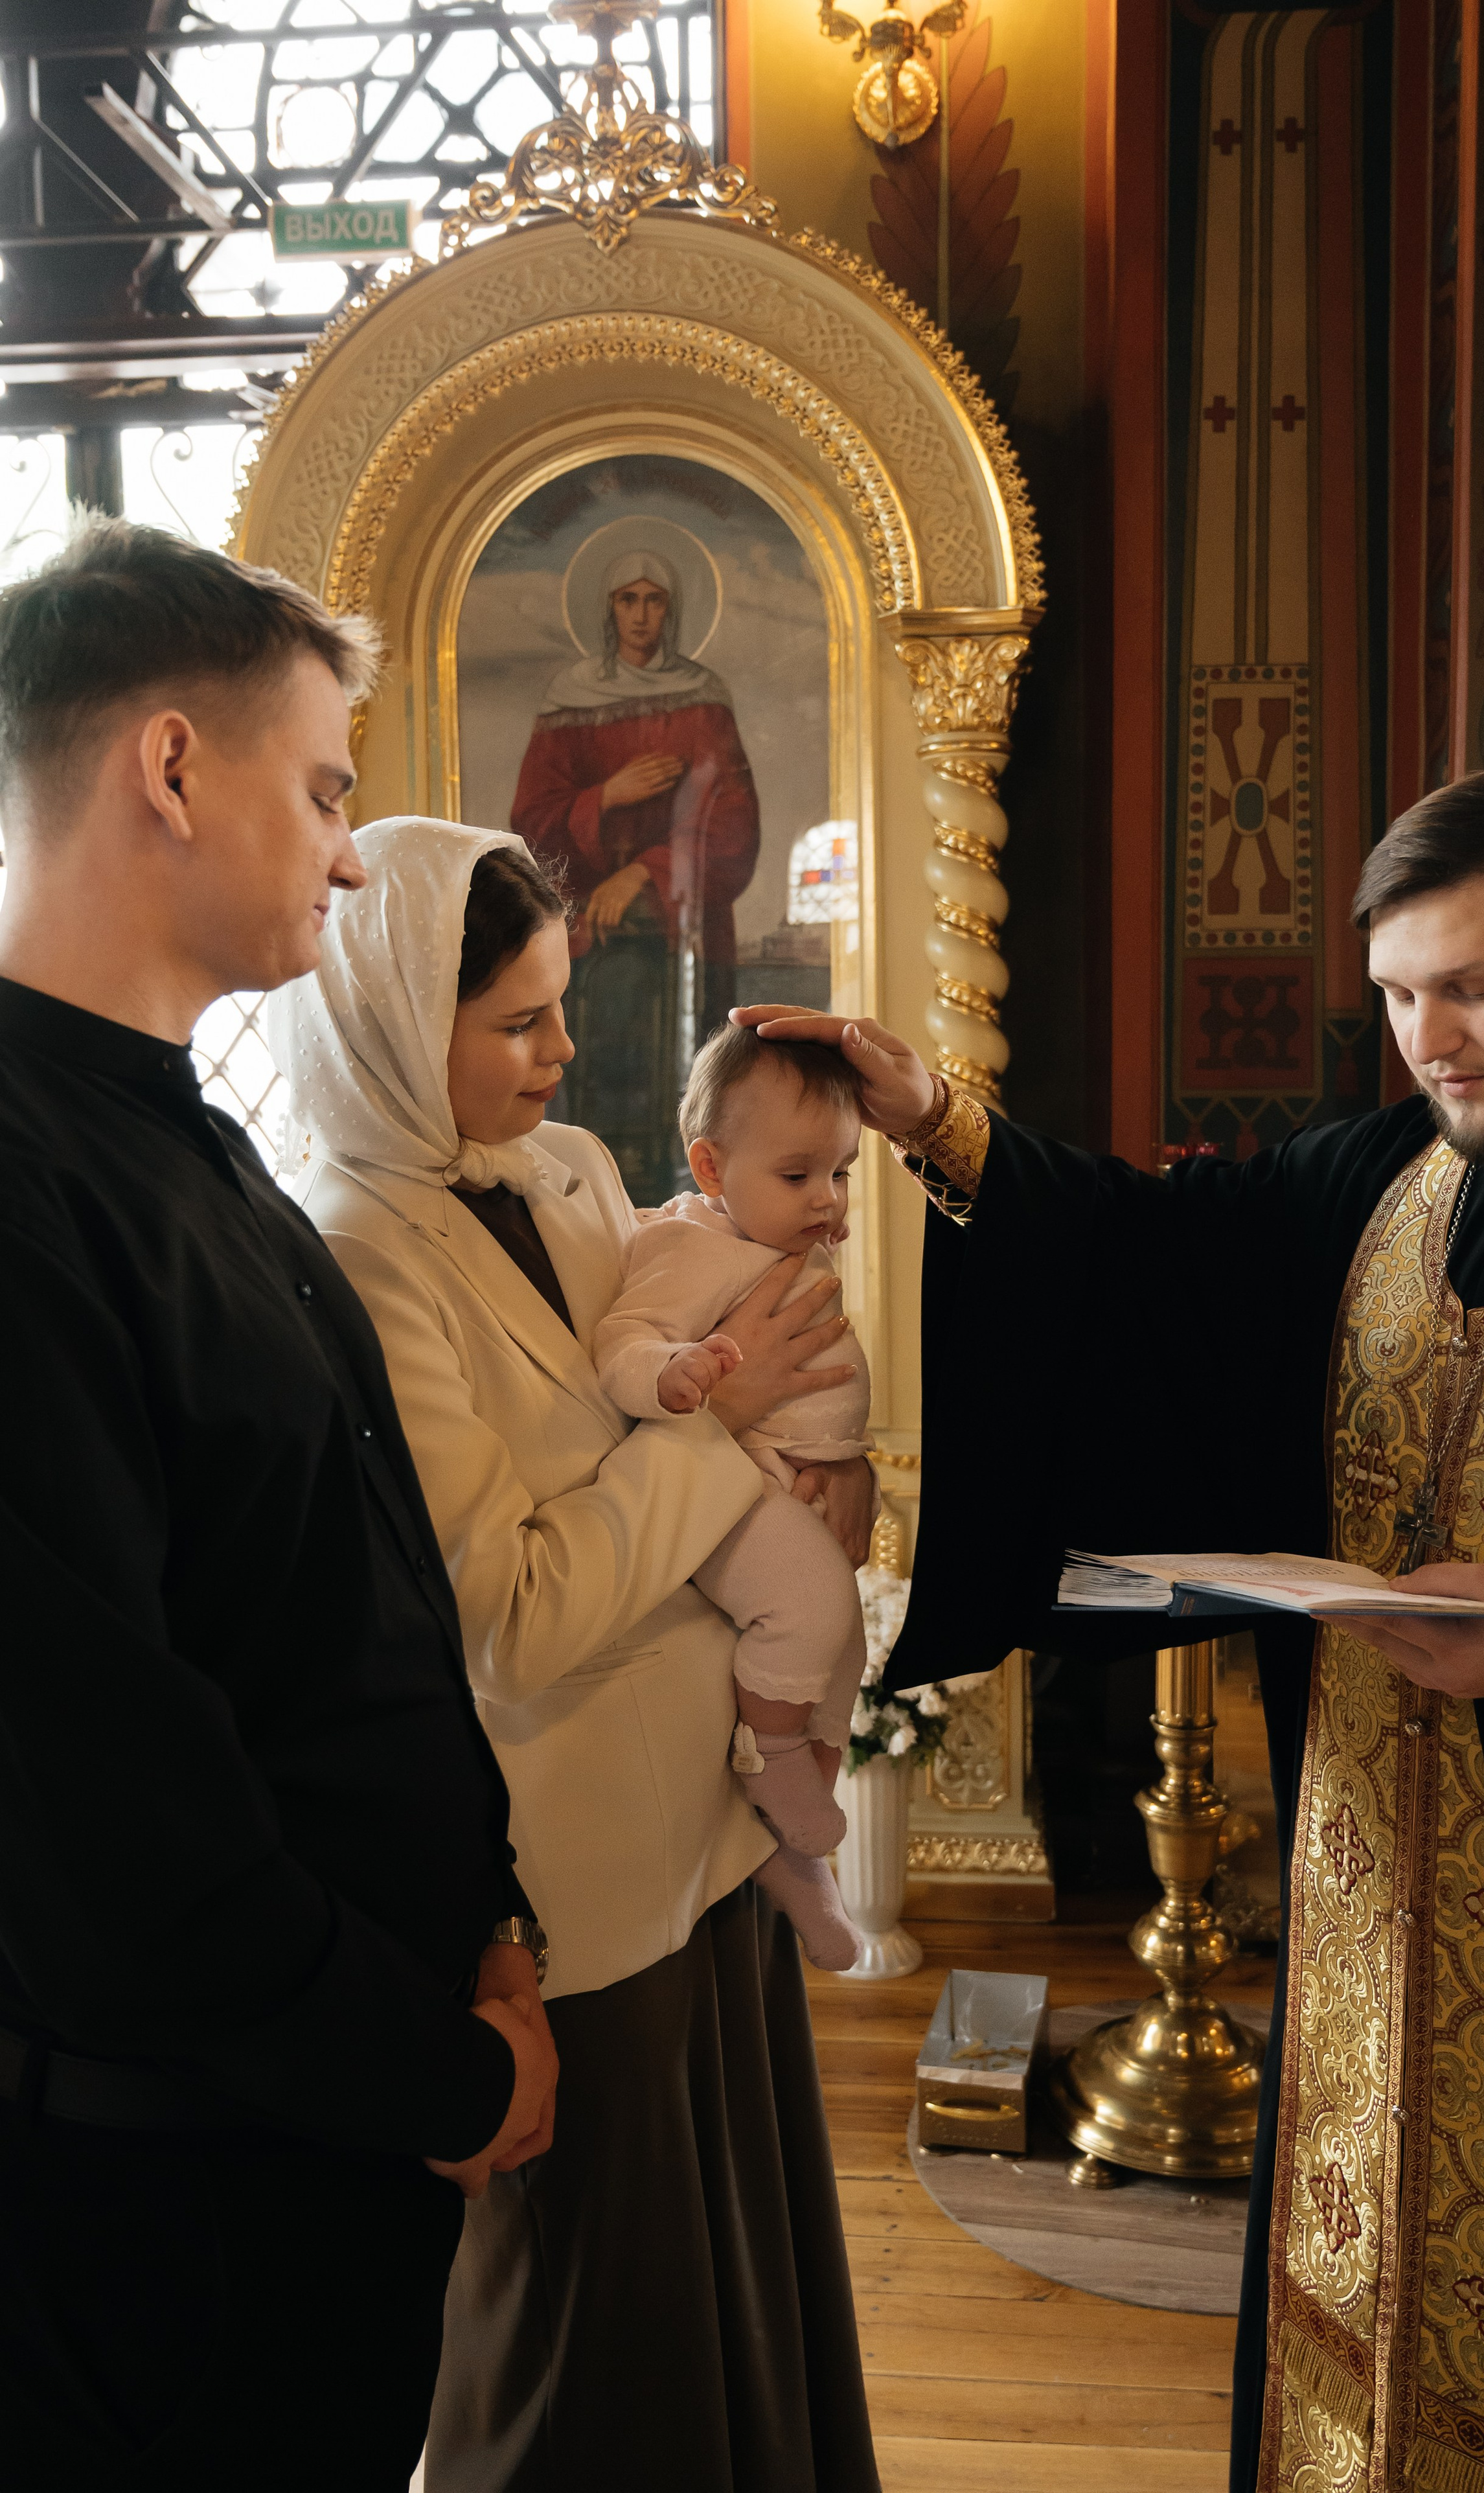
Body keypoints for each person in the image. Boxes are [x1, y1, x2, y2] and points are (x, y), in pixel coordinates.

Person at [735, 753, 1484, 2492]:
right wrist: (945, 1126)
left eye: (1475, 986)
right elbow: (1157, 1262)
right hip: (1373, 1917)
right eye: (1396, 995)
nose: (1429, 1039)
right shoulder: (1395, 1175)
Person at [0, 521, 557, 2493]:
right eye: (325, 786)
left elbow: (342, 1609)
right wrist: (444, 2067)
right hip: (169, 2194)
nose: (348, 847)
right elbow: (109, 1817)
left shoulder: (190, 1134)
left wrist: (481, 1922)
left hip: (307, 2136)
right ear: (169, 766)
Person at [273, 816, 882, 2493]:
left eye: (564, 1005)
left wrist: (818, 1450)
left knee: (730, 2297)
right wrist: (725, 1434)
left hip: (708, 1826)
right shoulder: (352, 1245)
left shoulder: (572, 1169)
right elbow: (512, 1614)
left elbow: (698, 1368)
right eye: (517, 1023)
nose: (562, 1052)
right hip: (575, 1871)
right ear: (397, 1017)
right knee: (580, 2350)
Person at [593, 1021, 874, 1970]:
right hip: (731, 1492)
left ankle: (793, 1849)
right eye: (799, 1177)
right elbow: (623, 1340)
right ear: (711, 1166)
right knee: (816, 1611)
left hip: (790, 1491)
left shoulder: (767, 1233)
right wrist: (668, 1371)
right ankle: (777, 1776)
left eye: (841, 1173)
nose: (828, 1200)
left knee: (842, 1642)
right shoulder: (688, 1245)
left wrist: (849, 1463)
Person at [510, 550, 760, 1201]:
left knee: (689, 1095)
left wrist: (645, 873)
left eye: (655, 600)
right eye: (628, 599)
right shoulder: (571, 698)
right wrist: (605, 798)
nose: (642, 616)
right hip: (591, 945)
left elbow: (732, 822)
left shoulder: (703, 701)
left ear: (672, 610)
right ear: (607, 608)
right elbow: (530, 826)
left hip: (681, 936)